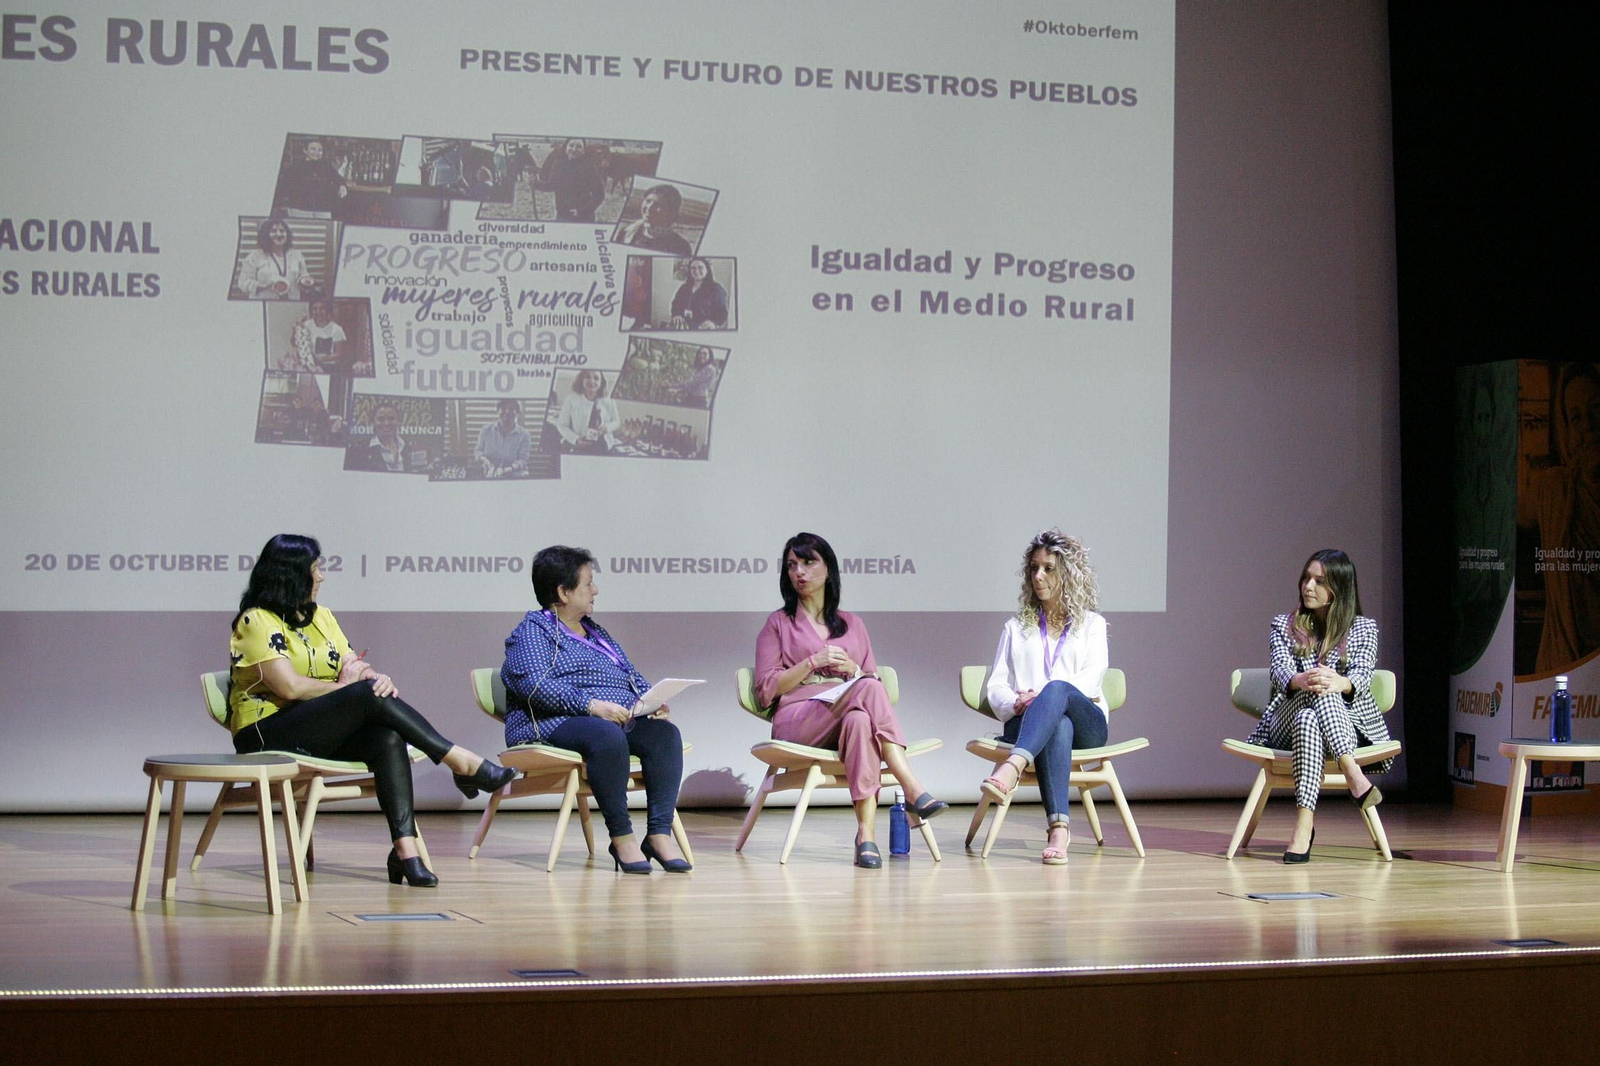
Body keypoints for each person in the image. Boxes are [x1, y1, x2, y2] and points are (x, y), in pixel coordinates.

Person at [228, 534, 516, 886]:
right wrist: (353, 688)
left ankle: (405, 851)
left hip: (312, 729)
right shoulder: (256, 620)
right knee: (365, 695)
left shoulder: (322, 617)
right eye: (315, 569)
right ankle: (459, 760)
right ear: (290, 574)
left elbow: (353, 664)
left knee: (386, 736)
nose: (322, 577)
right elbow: (289, 687)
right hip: (265, 732)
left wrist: (371, 678)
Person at [754, 532, 947, 868]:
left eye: (808, 562)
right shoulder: (778, 624)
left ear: (828, 569)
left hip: (845, 719)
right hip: (798, 721)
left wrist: (853, 669)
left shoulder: (853, 624)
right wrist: (812, 663)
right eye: (791, 565)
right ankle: (912, 786)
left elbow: (874, 687)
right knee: (867, 689)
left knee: (860, 719)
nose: (799, 571)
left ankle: (865, 835)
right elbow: (765, 690)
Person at [501, 546, 689, 873]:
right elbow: (531, 684)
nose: (595, 590)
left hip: (610, 721)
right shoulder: (533, 630)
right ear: (562, 592)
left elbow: (628, 673)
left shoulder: (595, 632)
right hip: (553, 722)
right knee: (605, 737)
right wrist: (590, 705)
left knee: (664, 735)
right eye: (588, 583)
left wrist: (651, 701)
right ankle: (622, 838)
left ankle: (658, 834)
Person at [1245, 549, 1389, 863]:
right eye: (1306, 578)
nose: (1307, 586)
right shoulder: (1284, 624)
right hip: (1285, 721)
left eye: (1319, 581)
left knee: (1312, 714)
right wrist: (1303, 679)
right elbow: (1279, 671)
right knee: (1316, 690)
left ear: (1338, 588)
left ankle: (1304, 823)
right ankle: (1353, 773)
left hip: (1340, 724)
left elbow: (1362, 675)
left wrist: (1341, 682)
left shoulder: (1364, 628)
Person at [977, 529, 1110, 865]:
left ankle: (1012, 767)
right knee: (1057, 725)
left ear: (1069, 573)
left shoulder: (1092, 625)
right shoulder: (1015, 627)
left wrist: (1045, 694)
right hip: (1029, 724)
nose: (1038, 576)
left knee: (1058, 692)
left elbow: (1092, 679)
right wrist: (1015, 703)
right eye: (1034, 568)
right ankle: (1059, 830)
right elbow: (996, 685)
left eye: (1048, 568)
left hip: (1088, 724)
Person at [1520, 362, 1600, 672]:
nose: (1588, 427)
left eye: (1596, 409)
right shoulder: (1554, 489)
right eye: (1577, 417)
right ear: (1566, 428)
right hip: (1562, 664)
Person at [236, 216, 315, 300]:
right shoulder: (254, 256)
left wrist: (305, 281)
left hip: (292, 301)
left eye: (282, 231)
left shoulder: (297, 255)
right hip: (265, 301)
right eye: (273, 231)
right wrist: (264, 286)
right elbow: (243, 283)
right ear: (266, 234)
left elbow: (303, 275)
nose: (279, 234)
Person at [615, 184, 693, 255]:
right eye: (648, 201)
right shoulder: (626, 233)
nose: (650, 207)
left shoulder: (680, 246)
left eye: (658, 205)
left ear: (671, 212)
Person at [553, 370, 620, 453]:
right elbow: (562, 425)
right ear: (581, 379)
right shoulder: (571, 400)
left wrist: (606, 428)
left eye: (596, 378)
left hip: (603, 446)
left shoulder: (609, 401)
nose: (592, 381)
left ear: (601, 382)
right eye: (587, 377)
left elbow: (616, 422)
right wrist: (576, 439)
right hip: (579, 445)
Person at [278, 139, 347, 218]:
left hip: (323, 209)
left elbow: (338, 178)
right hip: (300, 208)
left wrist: (342, 186)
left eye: (320, 150)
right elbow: (284, 185)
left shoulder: (326, 166)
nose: (316, 153)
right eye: (313, 149)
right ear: (305, 150)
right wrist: (284, 204)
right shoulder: (296, 166)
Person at [542, 138, 605, 221]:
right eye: (571, 145)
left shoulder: (589, 167)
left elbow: (599, 195)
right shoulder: (559, 165)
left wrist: (582, 211)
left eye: (579, 147)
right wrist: (535, 184)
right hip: (562, 215)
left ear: (583, 150)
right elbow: (553, 185)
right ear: (566, 147)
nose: (574, 149)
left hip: (583, 218)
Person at [475, 398, 532, 477]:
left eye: (511, 409)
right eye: (503, 408)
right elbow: (478, 451)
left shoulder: (524, 435)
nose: (507, 411)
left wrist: (507, 470)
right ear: (498, 411)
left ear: (517, 412)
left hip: (513, 476)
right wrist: (485, 461)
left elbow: (523, 460)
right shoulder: (486, 430)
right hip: (489, 474)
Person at [670, 257, 729, 330]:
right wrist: (676, 315)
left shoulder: (716, 289)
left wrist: (713, 323)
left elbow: (722, 313)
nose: (696, 271)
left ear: (707, 269)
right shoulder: (684, 287)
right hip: (683, 327)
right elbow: (675, 304)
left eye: (700, 267)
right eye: (693, 268)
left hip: (703, 329)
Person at [363, 401, 408, 471]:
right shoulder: (361, 451)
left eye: (391, 419)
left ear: (399, 421)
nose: (386, 423)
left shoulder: (407, 447)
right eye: (380, 419)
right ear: (373, 422)